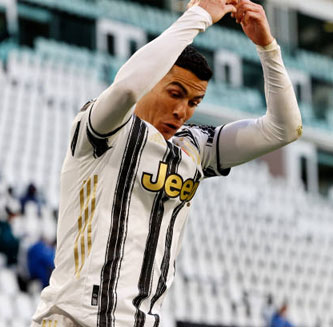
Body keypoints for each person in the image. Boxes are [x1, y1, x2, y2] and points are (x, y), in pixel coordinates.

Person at [32, 0, 302, 326]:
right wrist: (198, 16)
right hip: (74, 320)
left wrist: (267, 48)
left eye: (194, 102)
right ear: (152, 80)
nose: (182, 110)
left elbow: (284, 129)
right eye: (174, 93)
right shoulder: (101, 130)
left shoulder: (196, 147)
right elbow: (128, 87)